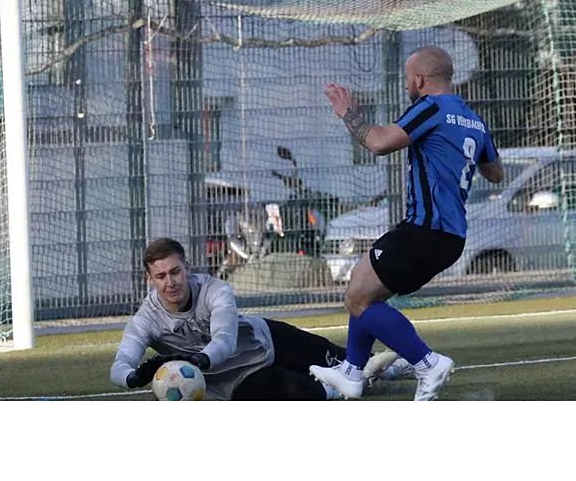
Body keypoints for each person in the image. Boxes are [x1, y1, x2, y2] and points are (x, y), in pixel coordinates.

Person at [309, 46, 504, 401]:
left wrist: (348, 114)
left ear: (420, 79)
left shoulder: (430, 107)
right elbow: (495, 172)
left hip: (424, 229)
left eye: (407, 78)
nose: (405, 85)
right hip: (449, 235)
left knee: (359, 299)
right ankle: (352, 372)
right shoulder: (472, 118)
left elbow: (380, 143)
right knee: (361, 286)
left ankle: (427, 362)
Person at [110, 237, 396, 400]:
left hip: (269, 341)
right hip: (236, 380)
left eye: (175, 272)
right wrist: (134, 377)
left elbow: (224, 339)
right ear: (150, 280)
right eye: (160, 276)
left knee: (350, 361)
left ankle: (401, 366)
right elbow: (119, 365)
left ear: (187, 268)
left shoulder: (215, 290)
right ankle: (339, 391)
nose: (170, 281)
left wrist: (197, 360)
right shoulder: (145, 320)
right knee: (296, 391)